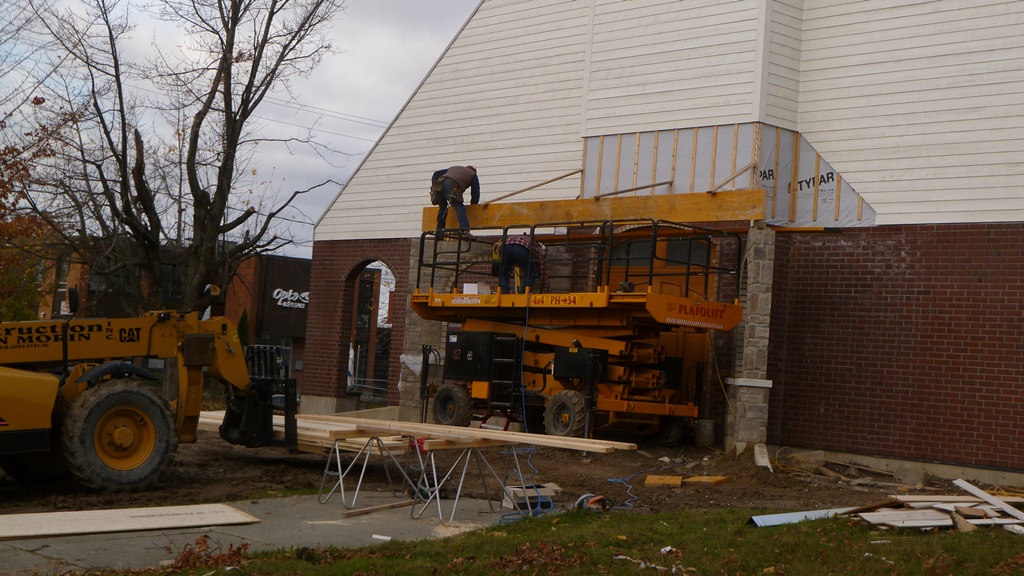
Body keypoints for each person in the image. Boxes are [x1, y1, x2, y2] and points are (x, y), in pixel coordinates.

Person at [433, 165, 480, 231]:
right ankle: (464, 230)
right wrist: (474, 205)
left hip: (438, 184)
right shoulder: (473, 174)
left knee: (443, 208)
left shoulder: (454, 168)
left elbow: (436, 173)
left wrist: (434, 188)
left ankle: (439, 231)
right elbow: (475, 191)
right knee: (459, 207)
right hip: (450, 184)